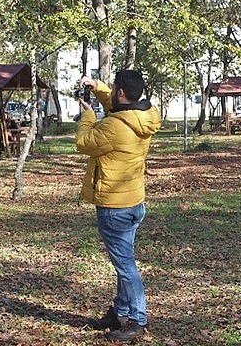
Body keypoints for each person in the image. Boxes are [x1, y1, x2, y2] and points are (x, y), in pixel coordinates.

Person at [76, 70, 161, 341]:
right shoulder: (145, 116)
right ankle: (120, 312)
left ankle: (137, 320)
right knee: (124, 264)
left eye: (113, 88)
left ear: (121, 92)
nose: (111, 92)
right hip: (134, 201)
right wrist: (98, 86)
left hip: (114, 207)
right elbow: (118, 108)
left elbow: (83, 143)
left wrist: (88, 115)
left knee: (126, 267)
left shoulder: (113, 126)